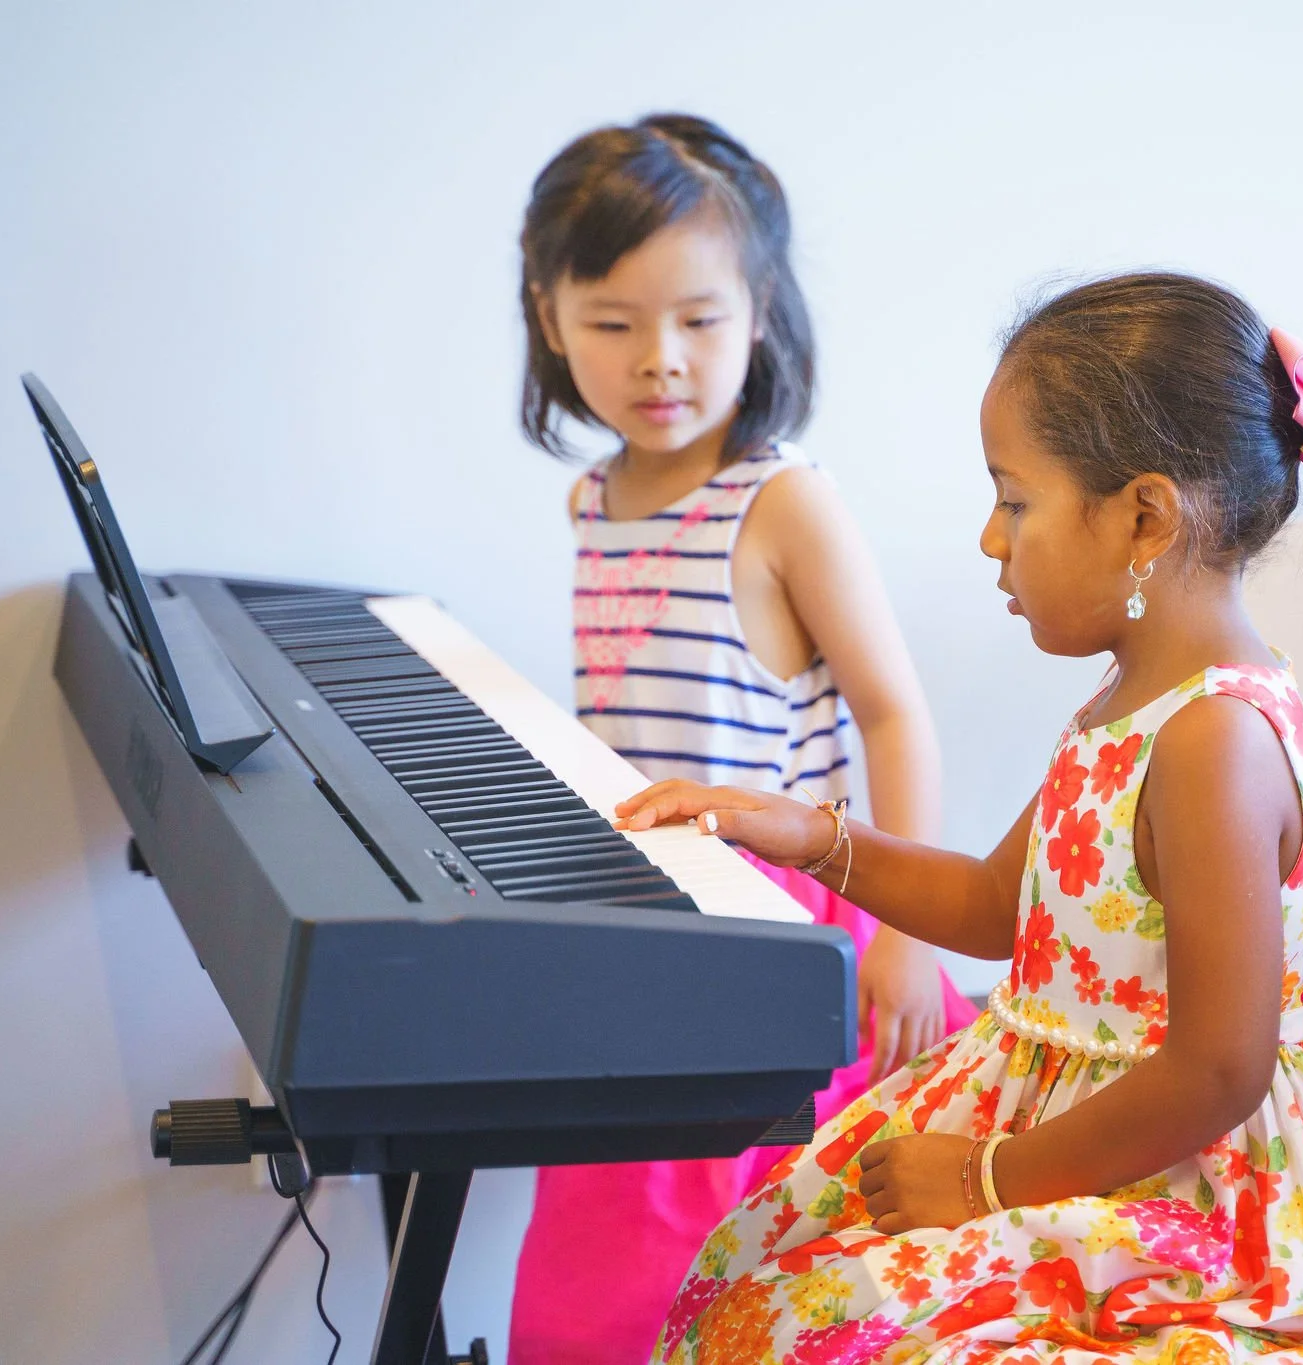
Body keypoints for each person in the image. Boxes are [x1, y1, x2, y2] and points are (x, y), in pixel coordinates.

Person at [616, 272, 1303, 1361]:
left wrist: (980, 1178)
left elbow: (1219, 1069)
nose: (990, 541)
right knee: (762, 1276)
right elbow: (1004, 907)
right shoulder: (1124, 703)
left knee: (821, 1335)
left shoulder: (1209, 743)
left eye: (1013, 500)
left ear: (1143, 516)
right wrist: (816, 839)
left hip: (1201, 1196)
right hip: (1073, 1132)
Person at [507, 114, 978, 1365]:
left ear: (758, 313)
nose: (658, 360)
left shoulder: (779, 503)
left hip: (776, 932)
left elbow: (894, 714)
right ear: (548, 318)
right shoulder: (591, 499)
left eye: (698, 320)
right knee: (598, 1256)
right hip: (650, 915)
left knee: (716, 1261)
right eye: (612, 322)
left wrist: (906, 942)